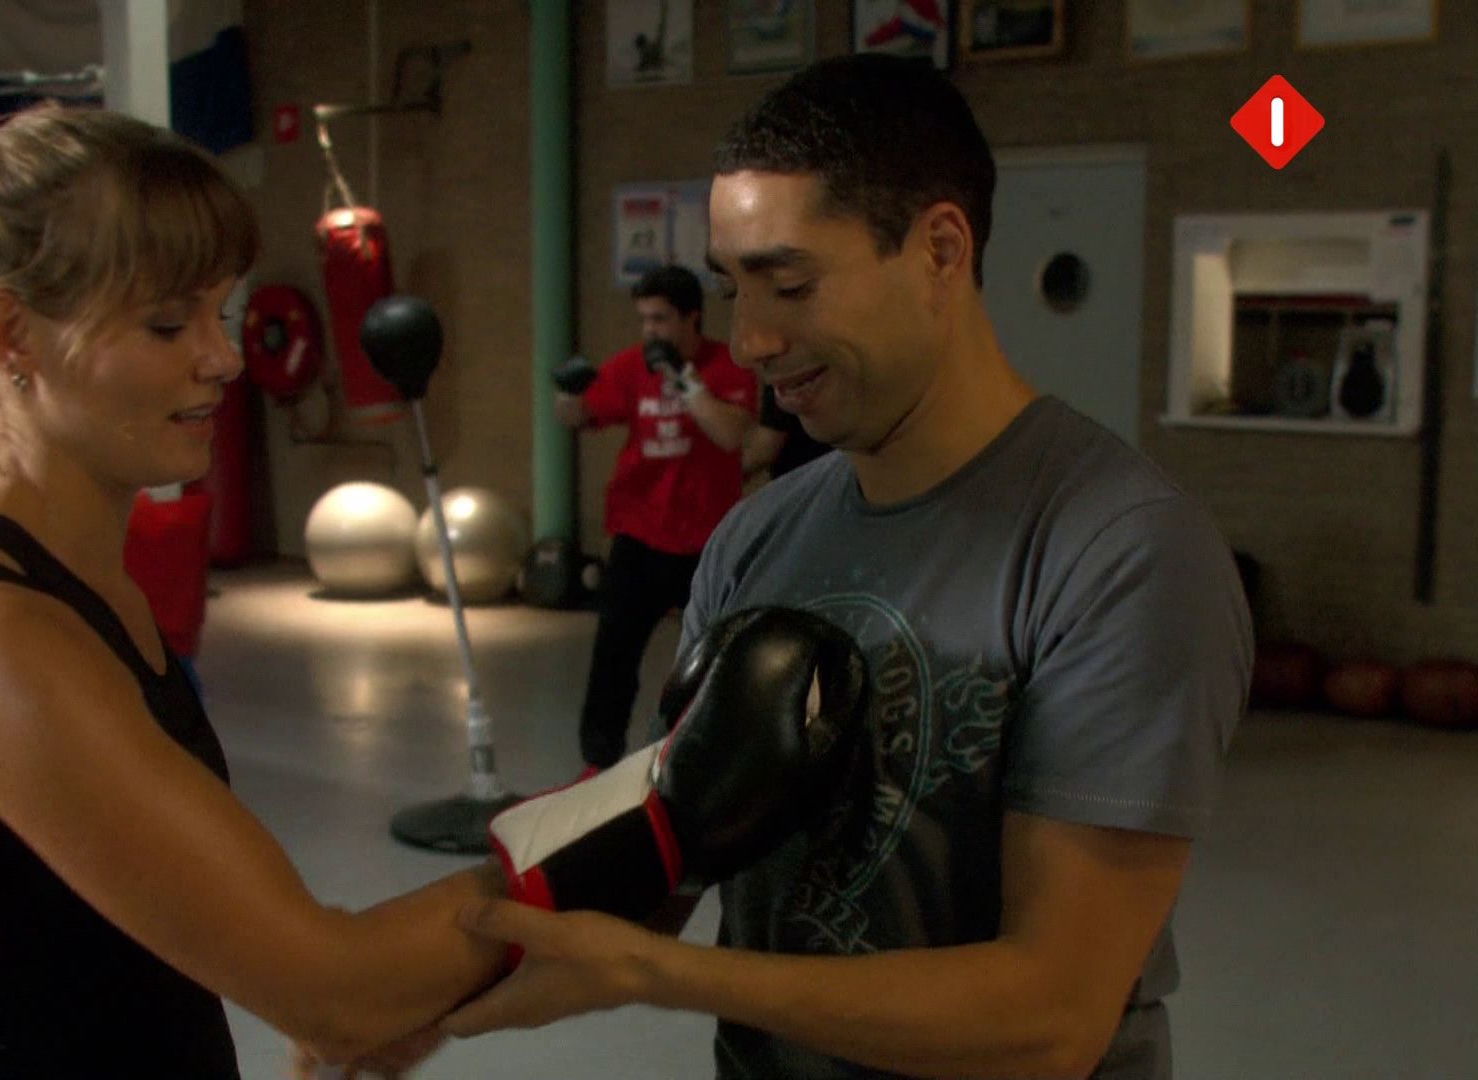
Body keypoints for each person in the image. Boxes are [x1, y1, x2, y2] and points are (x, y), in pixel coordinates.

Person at [437, 55, 1253, 1080]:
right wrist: (402, 992)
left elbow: (1052, 1017)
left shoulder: (1121, 552)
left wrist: (658, 974)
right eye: (733, 289)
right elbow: (664, 851)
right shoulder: (757, 536)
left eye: (791, 285)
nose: (751, 338)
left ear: (940, 250)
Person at [0, 104, 512, 1078]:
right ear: (11, 333)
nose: (223, 357)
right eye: (167, 323)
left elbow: (248, 971)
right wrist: (642, 829)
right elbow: (340, 989)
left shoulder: (81, 588)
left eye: (220, 314)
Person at [555, 264, 757, 774]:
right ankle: (597, 765)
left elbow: (730, 434)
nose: (649, 331)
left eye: (660, 319)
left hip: (708, 540)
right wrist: (568, 393)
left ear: (692, 318)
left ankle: (708, 764)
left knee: (716, 661)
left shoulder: (727, 366)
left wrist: (682, 379)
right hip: (640, 532)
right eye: (644, 319)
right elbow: (579, 415)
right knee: (613, 657)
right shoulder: (630, 367)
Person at [743, 382, 833, 482]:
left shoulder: (782, 382)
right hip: (829, 470)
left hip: (803, 478)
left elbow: (763, 451)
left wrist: (732, 469)